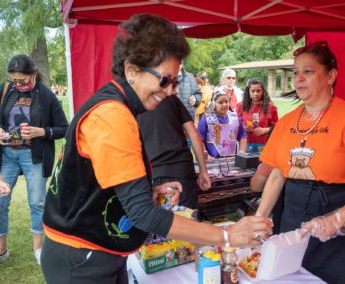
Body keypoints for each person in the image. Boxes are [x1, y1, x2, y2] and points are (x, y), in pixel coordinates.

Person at [40, 14, 273, 284]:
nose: (172, 91)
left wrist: (145, 189)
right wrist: (226, 235)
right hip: (81, 256)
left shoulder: (119, 104)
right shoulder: (112, 114)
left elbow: (100, 179)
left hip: (97, 249)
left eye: (175, 82)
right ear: (131, 71)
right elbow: (143, 214)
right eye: (165, 80)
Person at [255, 41, 345, 284]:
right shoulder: (286, 122)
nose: (299, 79)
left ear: (331, 76)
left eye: (308, 71)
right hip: (294, 215)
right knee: (291, 276)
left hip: (340, 216)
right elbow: (277, 175)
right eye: (295, 72)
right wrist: (259, 220)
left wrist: (339, 218)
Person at [0, 54, 69, 265]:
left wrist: (41, 132)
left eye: (23, 81)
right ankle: (1, 249)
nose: (18, 85)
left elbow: (63, 128)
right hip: (7, 155)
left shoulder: (46, 96)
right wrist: (0, 129)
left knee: (37, 202)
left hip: (33, 156)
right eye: (14, 81)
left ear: (34, 74)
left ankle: (38, 249)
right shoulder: (3, 90)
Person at [138, 94, 211, 209]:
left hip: (157, 173)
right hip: (183, 171)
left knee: (168, 222)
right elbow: (194, 134)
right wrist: (203, 170)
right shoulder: (170, 98)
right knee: (189, 219)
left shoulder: (131, 105)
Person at [198, 90, 247, 159]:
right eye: (220, 102)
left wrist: (242, 152)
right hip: (213, 161)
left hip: (232, 160)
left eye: (226, 102)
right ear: (213, 104)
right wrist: (206, 155)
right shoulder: (206, 119)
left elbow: (242, 136)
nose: (224, 104)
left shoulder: (235, 118)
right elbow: (199, 140)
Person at [236, 78, 278, 153]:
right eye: (253, 91)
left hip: (263, 145)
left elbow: (278, 127)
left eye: (258, 91)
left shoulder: (271, 108)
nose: (256, 94)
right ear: (248, 92)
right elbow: (235, 126)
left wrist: (266, 130)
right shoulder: (240, 106)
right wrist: (244, 128)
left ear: (263, 92)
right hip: (244, 145)